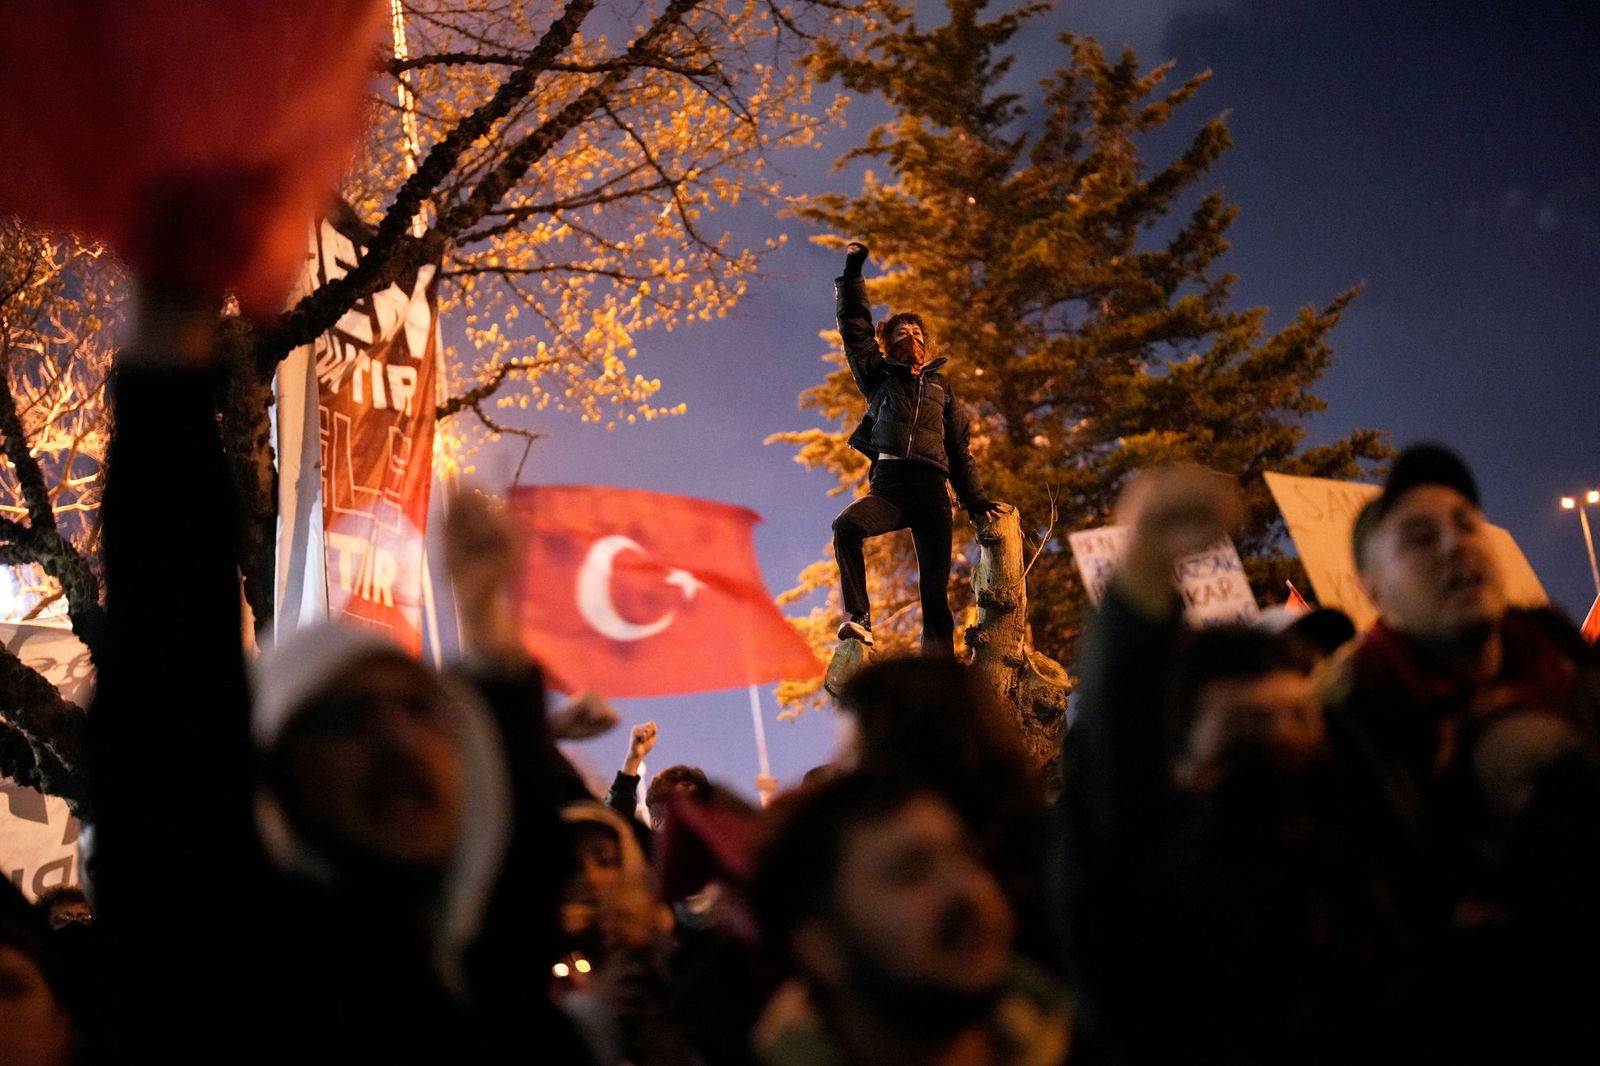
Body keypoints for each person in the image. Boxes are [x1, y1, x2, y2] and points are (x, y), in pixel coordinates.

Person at [1060, 464, 1407, 1065]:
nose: (1282, 745)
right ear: (1181, 760)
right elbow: (1117, 759)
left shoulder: (1375, 857)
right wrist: (1143, 577)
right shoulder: (1147, 901)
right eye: (1247, 730)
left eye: (1297, 718)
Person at [1325, 443, 1600, 1062]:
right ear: (1372, 588)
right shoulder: (1338, 732)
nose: (1456, 546)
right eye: (1420, 538)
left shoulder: (1576, 675)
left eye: (1466, 525)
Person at [752, 773, 1070, 1066]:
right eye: (911, 871)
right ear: (822, 948)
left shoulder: (1087, 1027)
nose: (967, 889)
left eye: (967, 855)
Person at [829, 242, 1001, 655]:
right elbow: (854, 325)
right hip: (890, 487)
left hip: (933, 493)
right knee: (846, 527)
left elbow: (959, 449)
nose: (911, 339)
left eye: (918, 334)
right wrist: (853, 269)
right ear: (887, 343)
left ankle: (937, 667)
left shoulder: (942, 388)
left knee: (934, 592)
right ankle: (860, 619)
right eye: (901, 334)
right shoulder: (878, 376)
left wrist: (975, 501)